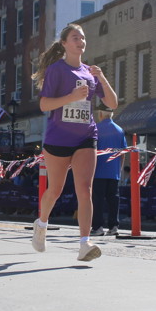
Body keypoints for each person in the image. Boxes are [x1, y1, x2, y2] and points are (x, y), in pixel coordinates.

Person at [29, 24, 117, 261]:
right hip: (58, 138)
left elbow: (112, 103)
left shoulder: (90, 72)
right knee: (55, 189)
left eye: (83, 38)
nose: (81, 41)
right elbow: (44, 105)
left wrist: (101, 77)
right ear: (65, 44)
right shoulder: (57, 70)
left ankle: (84, 244)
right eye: (75, 37)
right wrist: (71, 97)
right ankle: (41, 224)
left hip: (86, 137)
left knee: (85, 189)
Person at [91, 107, 127, 237]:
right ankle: (113, 226)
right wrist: (119, 170)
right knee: (113, 200)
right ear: (112, 114)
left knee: (97, 200)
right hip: (114, 172)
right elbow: (123, 153)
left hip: (98, 171)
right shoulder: (119, 130)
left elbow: (90, 150)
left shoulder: (95, 128)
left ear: (100, 114)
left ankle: (98, 227)